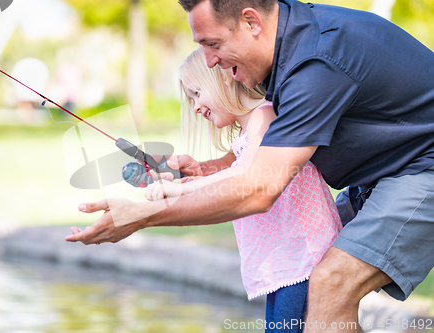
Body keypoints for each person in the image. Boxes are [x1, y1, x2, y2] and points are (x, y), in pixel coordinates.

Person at [66, 0, 434, 331]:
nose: (210, 61)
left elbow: (258, 190)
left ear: (251, 22)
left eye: (212, 44)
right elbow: (265, 153)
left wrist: (144, 215)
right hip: (387, 174)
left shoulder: (316, 61)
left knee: (332, 280)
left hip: (424, 167)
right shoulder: (287, 55)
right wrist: (204, 170)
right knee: (314, 272)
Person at [145, 46, 341, 332]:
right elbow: (235, 174)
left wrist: (180, 191)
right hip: (286, 262)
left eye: (197, 93)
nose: (197, 107)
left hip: (303, 257)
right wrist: (193, 178)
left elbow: (244, 173)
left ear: (223, 78)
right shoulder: (246, 131)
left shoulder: (263, 115)